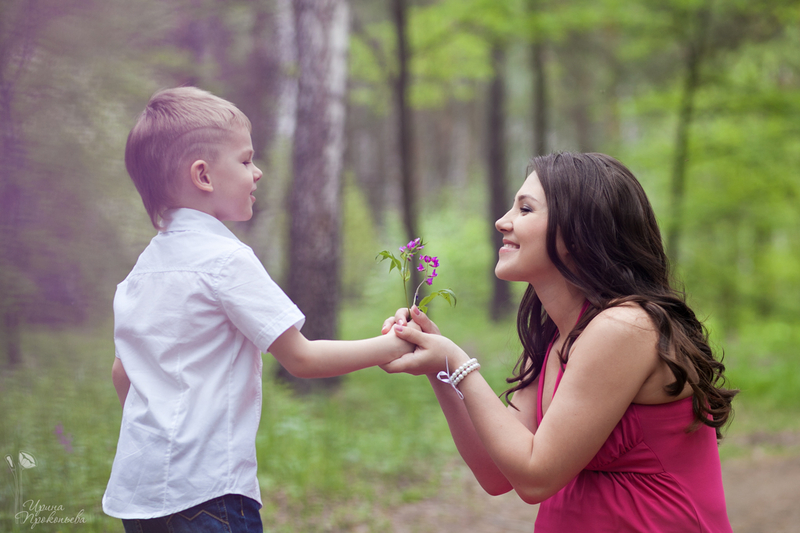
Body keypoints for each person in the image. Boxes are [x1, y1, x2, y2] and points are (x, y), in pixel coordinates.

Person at [103, 86, 412, 532]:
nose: (258, 172)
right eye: (246, 160)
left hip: (140, 497)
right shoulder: (226, 260)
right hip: (209, 494)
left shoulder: (141, 273)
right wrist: (392, 346)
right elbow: (301, 358)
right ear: (203, 176)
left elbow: (122, 373)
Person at [382, 152, 737, 532]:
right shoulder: (558, 336)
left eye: (525, 209)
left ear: (578, 231)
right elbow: (496, 474)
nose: (502, 221)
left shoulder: (625, 327)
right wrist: (440, 366)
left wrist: (458, 362)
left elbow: (536, 478)